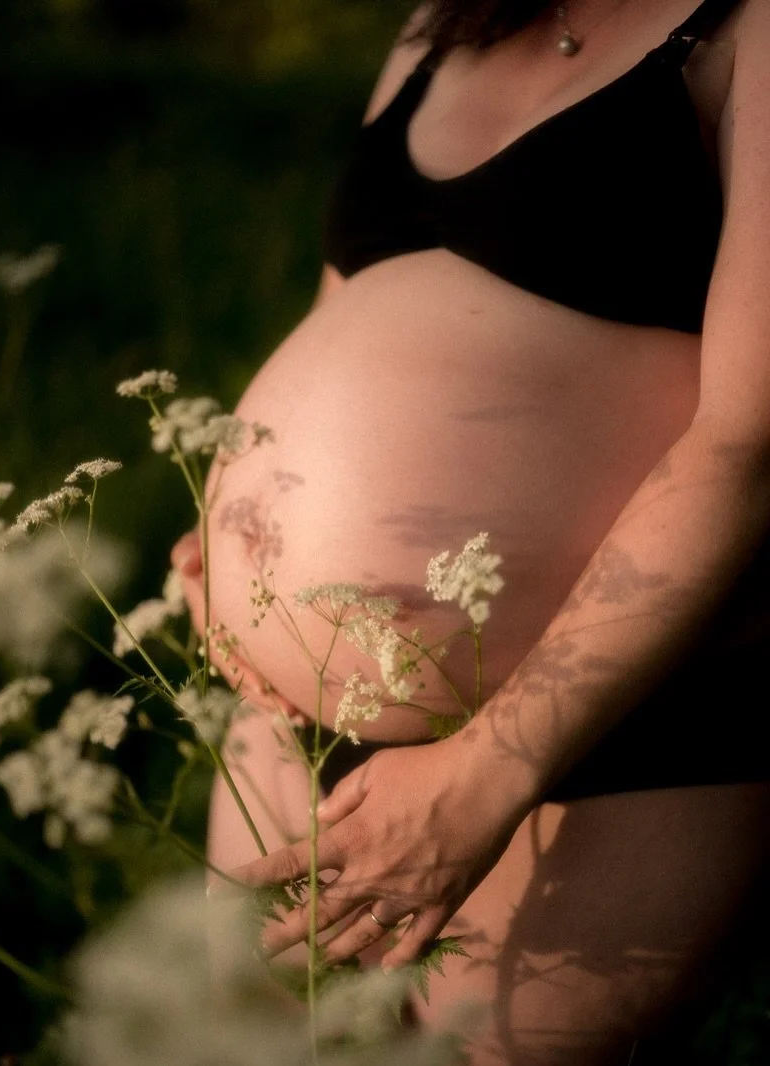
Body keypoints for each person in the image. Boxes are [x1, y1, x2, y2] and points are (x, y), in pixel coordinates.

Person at [172, 0, 770, 1061]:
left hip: (595, 718)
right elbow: (341, 311)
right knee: (242, 1044)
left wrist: (482, 773)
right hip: (290, 699)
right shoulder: (440, 22)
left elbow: (747, 443)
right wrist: (231, 533)